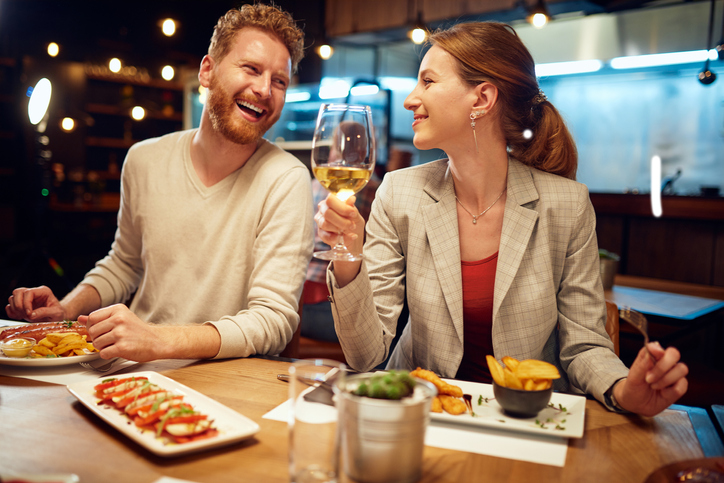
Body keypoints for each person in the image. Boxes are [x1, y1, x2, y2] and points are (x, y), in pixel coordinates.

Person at [314, 21, 688, 417]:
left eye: (427, 81)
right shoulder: (399, 192)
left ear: (482, 98)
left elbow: (584, 346)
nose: (410, 98)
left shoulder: (567, 204)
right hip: (424, 414)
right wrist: (348, 258)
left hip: (528, 419)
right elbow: (366, 356)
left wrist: (622, 389)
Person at [5, 4, 313, 362]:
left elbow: (273, 321)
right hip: (135, 366)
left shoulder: (286, 179)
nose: (264, 89)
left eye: (279, 81)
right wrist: (65, 310)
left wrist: (159, 340)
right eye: (251, 69)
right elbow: (124, 262)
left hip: (226, 376)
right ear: (207, 71)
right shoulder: (143, 158)